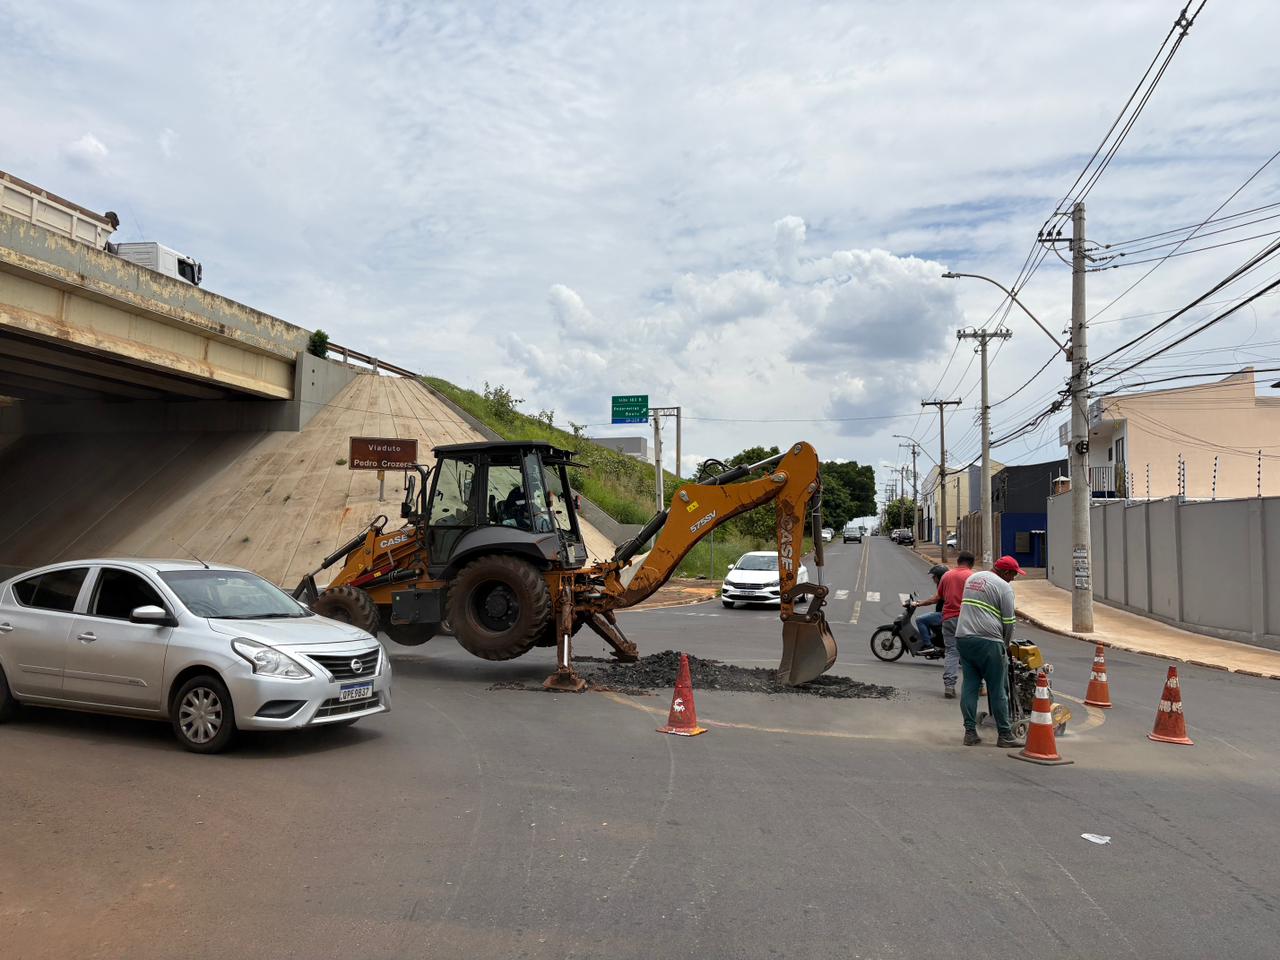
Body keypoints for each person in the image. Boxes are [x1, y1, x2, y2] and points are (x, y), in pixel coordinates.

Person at [954, 555, 1025, 747]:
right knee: (998, 689)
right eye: (1013, 574)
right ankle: (1005, 735)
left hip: (964, 638)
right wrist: (1006, 645)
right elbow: (1009, 622)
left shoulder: (973, 579)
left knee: (970, 686)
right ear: (1005, 572)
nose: (1013, 578)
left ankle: (970, 733)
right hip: (989, 641)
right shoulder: (1004, 587)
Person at [937, 551, 976, 699]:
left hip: (948, 618)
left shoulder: (946, 575)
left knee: (951, 652)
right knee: (972, 653)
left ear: (958, 561)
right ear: (971, 563)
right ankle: (979, 686)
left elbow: (939, 596)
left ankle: (949, 686)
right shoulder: (972, 577)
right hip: (967, 619)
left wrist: (920, 603)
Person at [907, 564, 947, 651]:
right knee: (927, 619)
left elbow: (934, 600)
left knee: (920, 620)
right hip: (944, 613)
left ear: (940, 576)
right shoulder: (944, 584)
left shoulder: (944, 586)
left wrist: (919, 603)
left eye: (934, 576)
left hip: (944, 614)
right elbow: (935, 598)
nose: (932, 578)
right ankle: (930, 640)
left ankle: (928, 645)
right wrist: (920, 602)